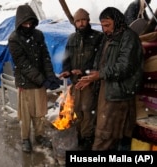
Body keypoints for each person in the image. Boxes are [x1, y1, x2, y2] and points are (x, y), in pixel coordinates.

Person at [75, 7, 144, 151]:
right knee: (111, 135)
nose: (104, 29)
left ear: (117, 21)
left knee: (104, 137)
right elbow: (101, 63)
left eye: (107, 25)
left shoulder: (129, 38)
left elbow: (125, 67)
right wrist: (91, 77)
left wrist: (99, 75)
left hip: (119, 93)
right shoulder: (108, 37)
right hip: (107, 91)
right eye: (102, 26)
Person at [8, 5, 62, 153]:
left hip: (39, 81)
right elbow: (23, 64)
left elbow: (45, 57)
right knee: (26, 114)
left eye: (30, 23)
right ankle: (25, 138)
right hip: (26, 82)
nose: (28, 26)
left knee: (40, 111)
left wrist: (50, 76)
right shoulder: (14, 39)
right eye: (25, 23)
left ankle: (39, 135)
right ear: (19, 23)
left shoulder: (38, 34)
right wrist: (42, 80)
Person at [59, 8, 103, 150]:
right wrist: (66, 71)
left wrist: (84, 71)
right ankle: (79, 136)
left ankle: (87, 139)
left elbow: (99, 60)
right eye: (78, 21)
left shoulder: (98, 37)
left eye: (83, 20)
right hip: (75, 82)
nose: (81, 23)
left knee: (88, 111)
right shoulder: (72, 38)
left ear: (88, 21)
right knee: (76, 110)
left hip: (90, 82)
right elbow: (66, 57)